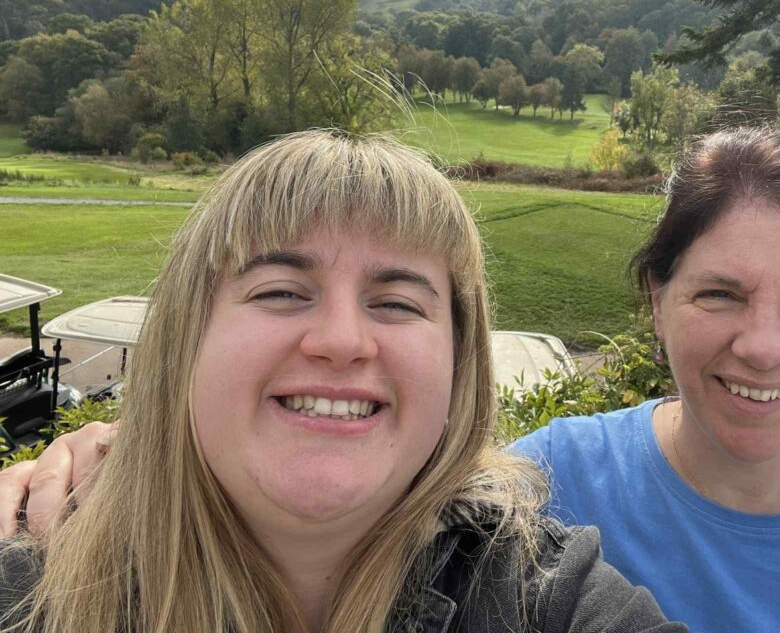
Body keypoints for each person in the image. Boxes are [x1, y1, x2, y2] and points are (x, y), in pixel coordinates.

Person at [7, 128, 780, 631]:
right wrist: (123, 448)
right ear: (654, 303)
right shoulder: (538, 485)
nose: (763, 346)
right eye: (719, 294)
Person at [0, 131, 683, 633]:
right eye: (280, 291)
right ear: (189, 339)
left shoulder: (551, 603)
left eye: (397, 303)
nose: (340, 341)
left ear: (458, 363)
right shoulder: (29, 583)